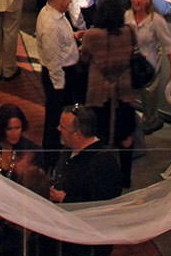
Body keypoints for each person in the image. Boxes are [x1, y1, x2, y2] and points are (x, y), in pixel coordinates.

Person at [77, 0, 139, 186]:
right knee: (126, 136)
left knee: (97, 135)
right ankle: (125, 177)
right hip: (123, 91)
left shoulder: (92, 36)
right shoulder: (129, 32)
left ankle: (99, 178)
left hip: (99, 93)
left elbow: (84, 60)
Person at [49, 105, 125, 256]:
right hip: (68, 237)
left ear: (77, 134)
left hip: (88, 245)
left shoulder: (103, 162)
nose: (58, 129)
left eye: (62, 127)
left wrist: (65, 198)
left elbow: (104, 204)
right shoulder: (69, 150)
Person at [0, 103, 42, 256]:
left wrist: (28, 174)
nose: (14, 133)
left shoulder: (31, 151)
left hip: (17, 225)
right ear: (0, 129)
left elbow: (38, 190)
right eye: (10, 129)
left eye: (18, 128)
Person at [127, 0, 171, 136]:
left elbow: (169, 45)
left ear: (147, 0)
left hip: (150, 63)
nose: (135, 0)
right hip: (131, 61)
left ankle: (149, 120)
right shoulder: (127, 17)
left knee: (149, 93)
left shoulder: (156, 21)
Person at [35, 0, 82, 155]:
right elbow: (53, 59)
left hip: (62, 74)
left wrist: (74, 37)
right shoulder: (51, 24)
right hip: (60, 77)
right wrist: (59, 87)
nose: (70, 1)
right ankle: (52, 155)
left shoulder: (53, 15)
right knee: (56, 118)